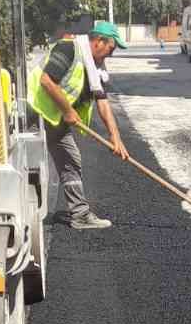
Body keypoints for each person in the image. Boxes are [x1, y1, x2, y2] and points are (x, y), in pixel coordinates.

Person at [30, 22, 131, 231]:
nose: (111, 54)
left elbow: (102, 101)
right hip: (35, 112)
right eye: (111, 48)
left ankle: (79, 213)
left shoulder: (96, 68)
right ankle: (32, 215)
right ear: (99, 42)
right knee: (34, 166)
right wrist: (68, 111)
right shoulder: (69, 48)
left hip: (55, 117)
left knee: (71, 158)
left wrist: (115, 137)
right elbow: (47, 81)